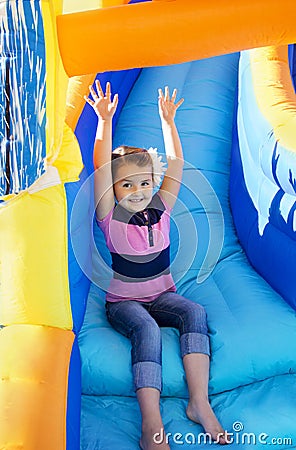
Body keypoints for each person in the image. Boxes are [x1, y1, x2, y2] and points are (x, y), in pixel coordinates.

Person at [85, 81, 228, 449]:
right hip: (125, 304)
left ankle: (200, 402)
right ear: (113, 191)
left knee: (194, 312)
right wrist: (104, 121)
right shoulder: (110, 216)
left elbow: (176, 165)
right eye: (127, 185)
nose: (138, 191)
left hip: (163, 294)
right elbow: (102, 166)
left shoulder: (161, 209)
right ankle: (152, 423)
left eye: (144, 182)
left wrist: (168, 122)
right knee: (147, 330)